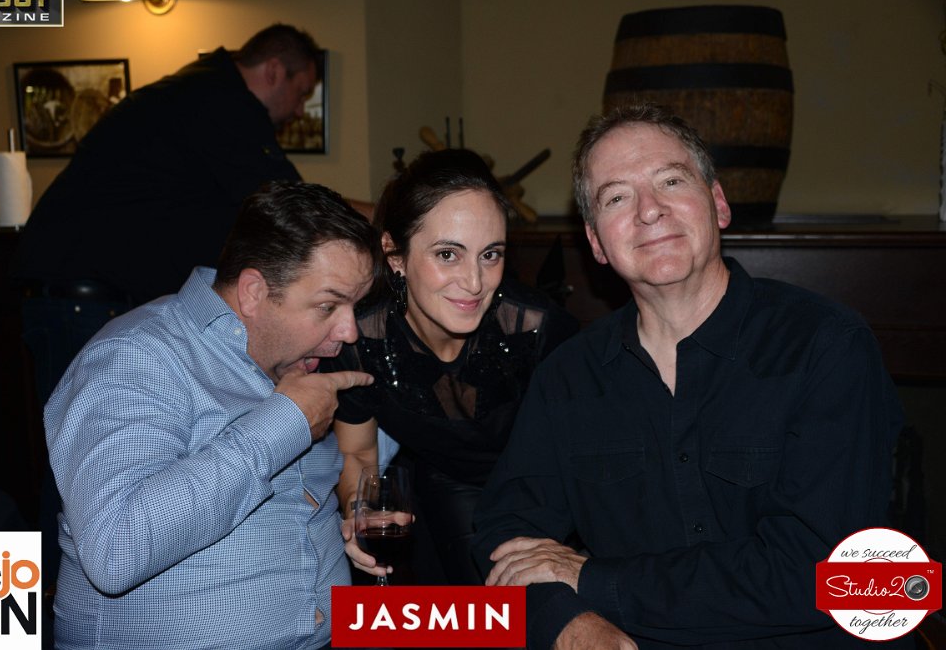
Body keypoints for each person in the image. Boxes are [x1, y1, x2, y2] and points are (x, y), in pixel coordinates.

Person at [471, 104, 907, 650]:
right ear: (596, 243)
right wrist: (565, 621)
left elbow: (825, 574)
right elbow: (505, 534)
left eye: (671, 181)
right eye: (616, 197)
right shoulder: (568, 377)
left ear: (718, 204)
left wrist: (596, 581)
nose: (649, 210)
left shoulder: (827, 347)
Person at [45, 182, 378, 649]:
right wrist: (282, 424)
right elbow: (116, 550)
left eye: (353, 306)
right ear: (254, 292)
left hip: (347, 633)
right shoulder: (136, 357)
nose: (349, 331)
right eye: (328, 306)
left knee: (480, 623)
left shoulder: (301, 356)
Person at [15, 23, 330, 407]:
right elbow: (290, 204)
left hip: (82, 294)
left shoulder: (199, 91)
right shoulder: (219, 101)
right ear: (274, 71)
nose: (299, 109)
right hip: (83, 299)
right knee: (92, 432)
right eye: (301, 93)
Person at [329, 149, 578, 585]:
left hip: (545, 486)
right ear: (395, 255)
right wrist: (359, 510)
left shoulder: (537, 330)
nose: (475, 282)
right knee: (451, 612)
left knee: (532, 609)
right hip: (446, 484)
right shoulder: (361, 340)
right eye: (448, 254)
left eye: (490, 254)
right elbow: (358, 453)